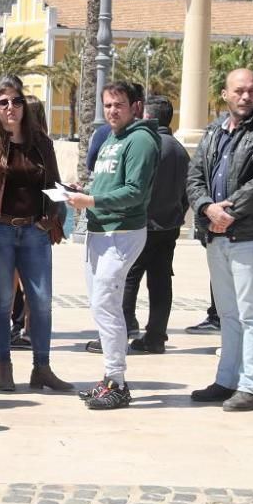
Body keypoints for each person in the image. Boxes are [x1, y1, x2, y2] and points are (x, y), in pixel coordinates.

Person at [186, 68, 253, 412]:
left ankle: (251, 385)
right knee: (228, 313)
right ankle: (226, 379)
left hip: (249, 234)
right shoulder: (214, 132)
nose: (246, 97)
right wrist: (206, 208)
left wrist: (229, 211)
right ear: (225, 94)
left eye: (251, 91)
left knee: (251, 313)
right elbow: (195, 176)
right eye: (239, 91)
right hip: (216, 237)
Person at [0, 76, 70, 391]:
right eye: (3, 103)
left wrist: (48, 221)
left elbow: (54, 184)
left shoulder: (41, 142)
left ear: (24, 106)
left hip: (33, 233)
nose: (11, 108)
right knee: (1, 302)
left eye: (17, 102)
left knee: (42, 302)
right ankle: (4, 367)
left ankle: (42, 368)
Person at [67, 81, 159, 410]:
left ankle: (117, 381)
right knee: (99, 305)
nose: (112, 111)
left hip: (122, 231)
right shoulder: (110, 138)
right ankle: (109, 378)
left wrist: (90, 199)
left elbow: (134, 191)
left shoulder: (141, 140)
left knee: (107, 302)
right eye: (107, 105)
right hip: (98, 230)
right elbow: (106, 181)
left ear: (135, 106)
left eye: (118, 104)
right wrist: (83, 189)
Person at [121, 95, 189, 354]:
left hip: (142, 223)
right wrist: (178, 214)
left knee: (129, 277)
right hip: (169, 226)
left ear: (147, 117)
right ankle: (156, 336)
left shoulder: (146, 145)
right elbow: (187, 191)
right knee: (161, 282)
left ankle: (125, 329)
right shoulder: (180, 149)